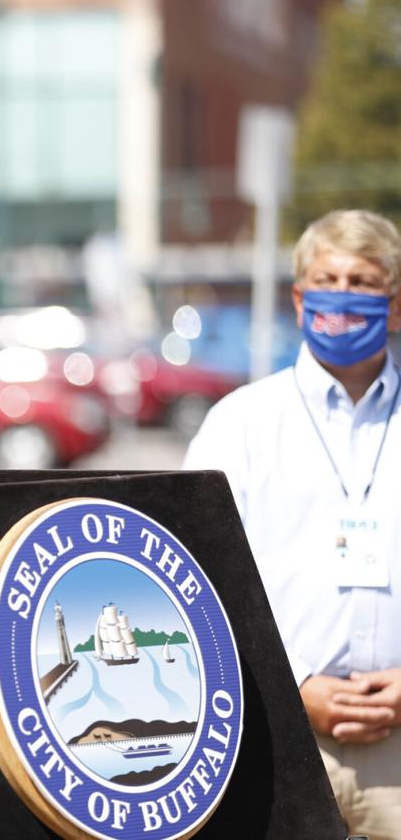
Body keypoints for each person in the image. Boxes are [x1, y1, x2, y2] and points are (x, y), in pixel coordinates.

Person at [184, 208, 401, 839]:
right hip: (281, 737)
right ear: (299, 297)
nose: (343, 295)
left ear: (393, 303)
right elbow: (199, 571)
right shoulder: (241, 423)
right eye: (327, 279)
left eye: (362, 281)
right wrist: (294, 684)